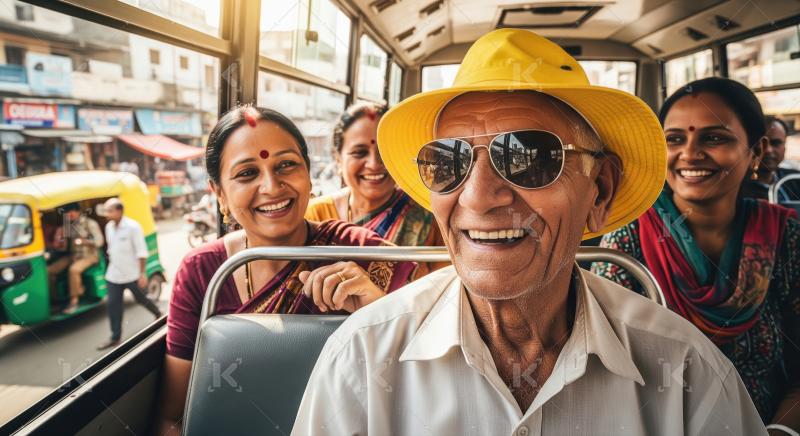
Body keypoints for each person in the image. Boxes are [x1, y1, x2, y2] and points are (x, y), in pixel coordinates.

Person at [292, 29, 766, 435]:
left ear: (598, 192)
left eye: (529, 158)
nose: (477, 198)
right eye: (449, 161)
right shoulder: (361, 359)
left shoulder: (685, 372)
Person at [154, 105, 416, 435]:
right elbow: (173, 418)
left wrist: (379, 309)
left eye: (286, 165)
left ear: (308, 174)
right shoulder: (202, 271)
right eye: (247, 173)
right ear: (219, 194)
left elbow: (420, 381)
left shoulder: (360, 252)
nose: (271, 186)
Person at [592, 77, 799, 431]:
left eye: (714, 138)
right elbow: (607, 374)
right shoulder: (628, 242)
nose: (689, 153)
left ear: (758, 151)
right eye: (674, 139)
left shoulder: (786, 237)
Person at [305, 102, 445, 276]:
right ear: (338, 158)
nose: (373, 164)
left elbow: (442, 291)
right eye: (359, 152)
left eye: (383, 152)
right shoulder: (313, 215)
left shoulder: (432, 219)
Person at [96, 198, 162, 351]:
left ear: (119, 211)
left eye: (109, 211)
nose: (106, 214)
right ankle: (115, 337)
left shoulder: (133, 227)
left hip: (132, 273)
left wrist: (142, 273)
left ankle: (159, 313)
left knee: (142, 299)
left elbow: (142, 252)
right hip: (114, 274)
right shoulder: (109, 227)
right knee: (113, 305)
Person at [46, 202, 104, 314]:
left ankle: (74, 301)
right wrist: (59, 241)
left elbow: (99, 242)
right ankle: (56, 300)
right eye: (67, 213)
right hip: (73, 256)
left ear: (78, 212)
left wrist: (85, 242)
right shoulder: (68, 226)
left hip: (89, 256)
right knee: (49, 271)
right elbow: (64, 247)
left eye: (71, 212)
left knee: (74, 270)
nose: (69, 215)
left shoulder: (90, 224)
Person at [742, 115, 800, 203]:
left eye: (776, 143)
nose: (768, 150)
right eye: (760, 143)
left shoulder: (795, 179)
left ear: (784, 148)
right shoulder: (733, 188)